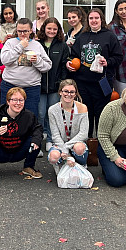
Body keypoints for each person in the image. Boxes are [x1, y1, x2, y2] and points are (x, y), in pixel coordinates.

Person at [67, 8, 123, 137]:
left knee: (101, 114)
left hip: (102, 83)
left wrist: (107, 62)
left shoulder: (109, 36)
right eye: (91, 18)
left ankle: (101, 143)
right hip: (84, 82)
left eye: (96, 18)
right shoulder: (83, 36)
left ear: (101, 19)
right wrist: (69, 63)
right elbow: (73, 56)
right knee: (86, 114)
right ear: (88, 20)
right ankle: (87, 145)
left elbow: (118, 57)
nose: (94, 21)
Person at [0, 87, 44, 182]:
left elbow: (37, 128)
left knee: (35, 141)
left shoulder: (28, 116)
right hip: (1, 152)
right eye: (14, 100)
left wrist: (36, 140)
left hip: (19, 150)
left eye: (21, 100)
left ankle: (28, 166)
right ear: (8, 102)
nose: (18, 103)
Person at [0, 18, 52, 123]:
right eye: (19, 31)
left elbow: (47, 66)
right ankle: (8, 139)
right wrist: (20, 47)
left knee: (30, 119)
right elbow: (4, 60)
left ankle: (30, 140)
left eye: (25, 31)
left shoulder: (37, 45)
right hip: (10, 85)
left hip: (31, 88)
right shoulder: (10, 43)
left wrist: (37, 61)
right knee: (6, 117)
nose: (22, 34)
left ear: (31, 31)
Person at [37, 18, 69, 151]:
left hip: (55, 87)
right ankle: (38, 141)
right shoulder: (38, 44)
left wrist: (61, 84)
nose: (51, 31)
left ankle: (50, 139)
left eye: (54, 29)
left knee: (53, 114)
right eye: (49, 28)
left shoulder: (62, 45)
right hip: (39, 86)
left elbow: (64, 66)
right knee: (40, 113)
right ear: (44, 28)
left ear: (58, 30)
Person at [47, 79, 89, 171]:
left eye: (72, 92)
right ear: (60, 92)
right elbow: (55, 135)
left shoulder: (82, 108)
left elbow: (84, 133)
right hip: (60, 143)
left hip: (76, 142)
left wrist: (66, 147)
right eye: (65, 91)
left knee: (79, 148)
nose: (68, 94)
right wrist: (64, 150)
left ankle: (81, 165)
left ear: (75, 94)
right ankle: (62, 166)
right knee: (53, 156)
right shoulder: (52, 110)